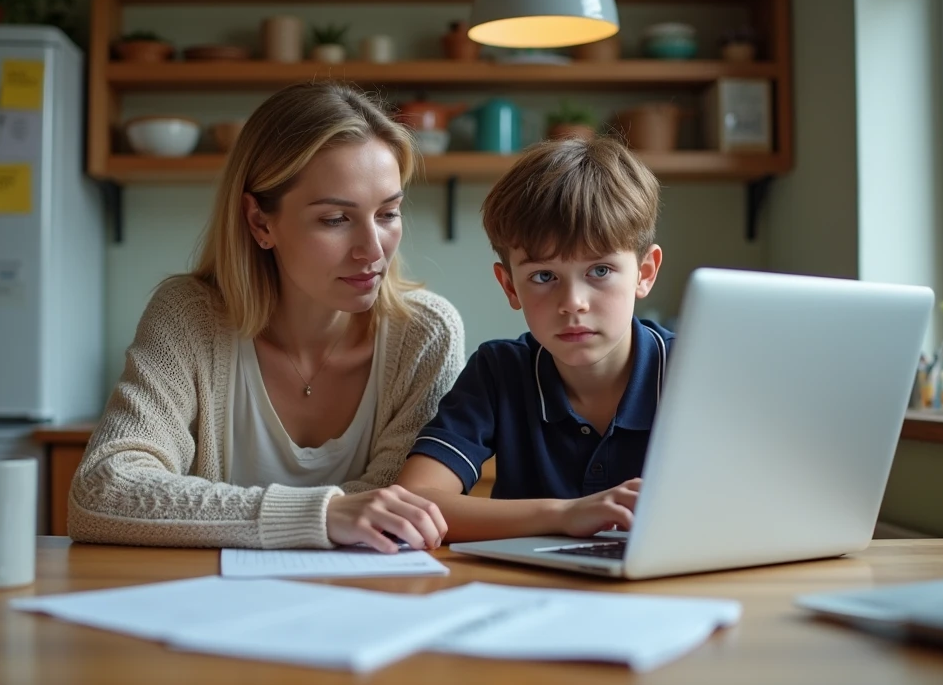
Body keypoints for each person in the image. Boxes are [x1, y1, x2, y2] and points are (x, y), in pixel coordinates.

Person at [69, 83, 462, 552]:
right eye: (336, 219)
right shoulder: (189, 318)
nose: (373, 250)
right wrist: (322, 514)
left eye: (388, 213)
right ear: (260, 222)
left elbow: (402, 509)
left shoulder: (425, 335)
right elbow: (101, 490)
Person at [396, 136, 672, 543]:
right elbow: (414, 501)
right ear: (510, 286)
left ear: (645, 273)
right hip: (525, 593)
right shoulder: (499, 372)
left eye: (600, 271)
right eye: (544, 277)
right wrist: (566, 514)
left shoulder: (693, 370)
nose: (573, 303)